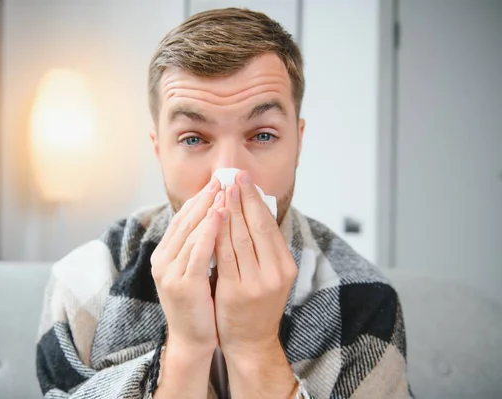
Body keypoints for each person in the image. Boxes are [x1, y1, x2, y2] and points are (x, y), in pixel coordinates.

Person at [36, 8, 411, 399]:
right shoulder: (84, 285)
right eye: (194, 139)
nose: (227, 175)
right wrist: (186, 352)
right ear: (159, 150)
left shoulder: (364, 299)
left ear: (297, 143)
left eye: (263, 136)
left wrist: (255, 349)